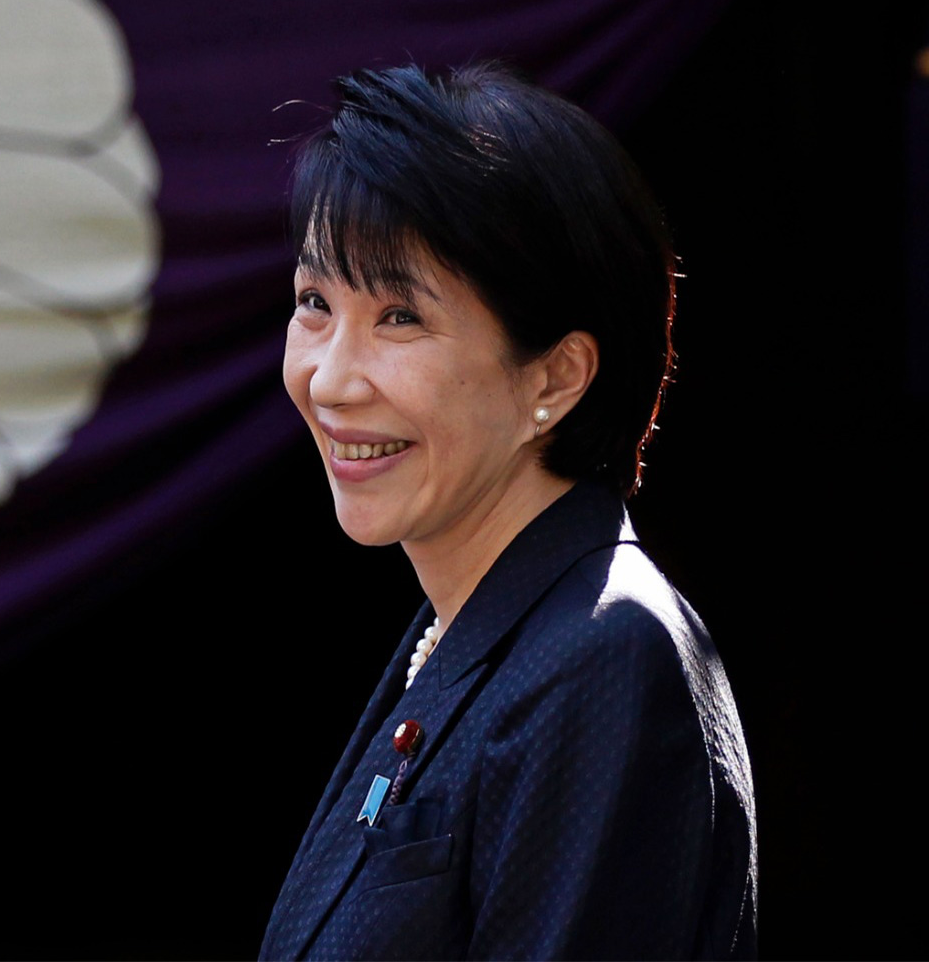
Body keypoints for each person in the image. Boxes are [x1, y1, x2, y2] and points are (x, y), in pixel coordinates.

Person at [259, 63, 756, 960]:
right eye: (314, 304)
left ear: (556, 377)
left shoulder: (605, 652)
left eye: (400, 317)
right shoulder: (472, 626)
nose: (329, 377)